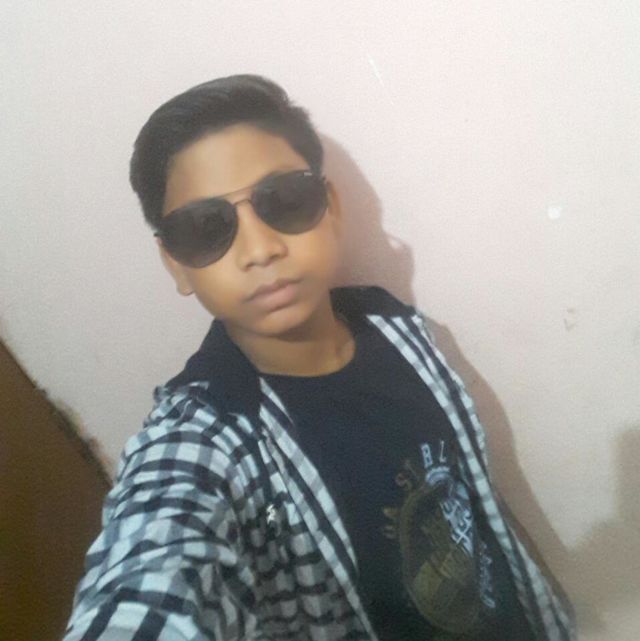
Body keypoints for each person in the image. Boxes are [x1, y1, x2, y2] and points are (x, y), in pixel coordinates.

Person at [63, 75, 574, 641]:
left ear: (330, 207)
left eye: (284, 199)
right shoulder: (205, 439)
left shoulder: (403, 331)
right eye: (206, 228)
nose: (261, 250)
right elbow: (155, 561)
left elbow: (478, 511)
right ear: (175, 264)